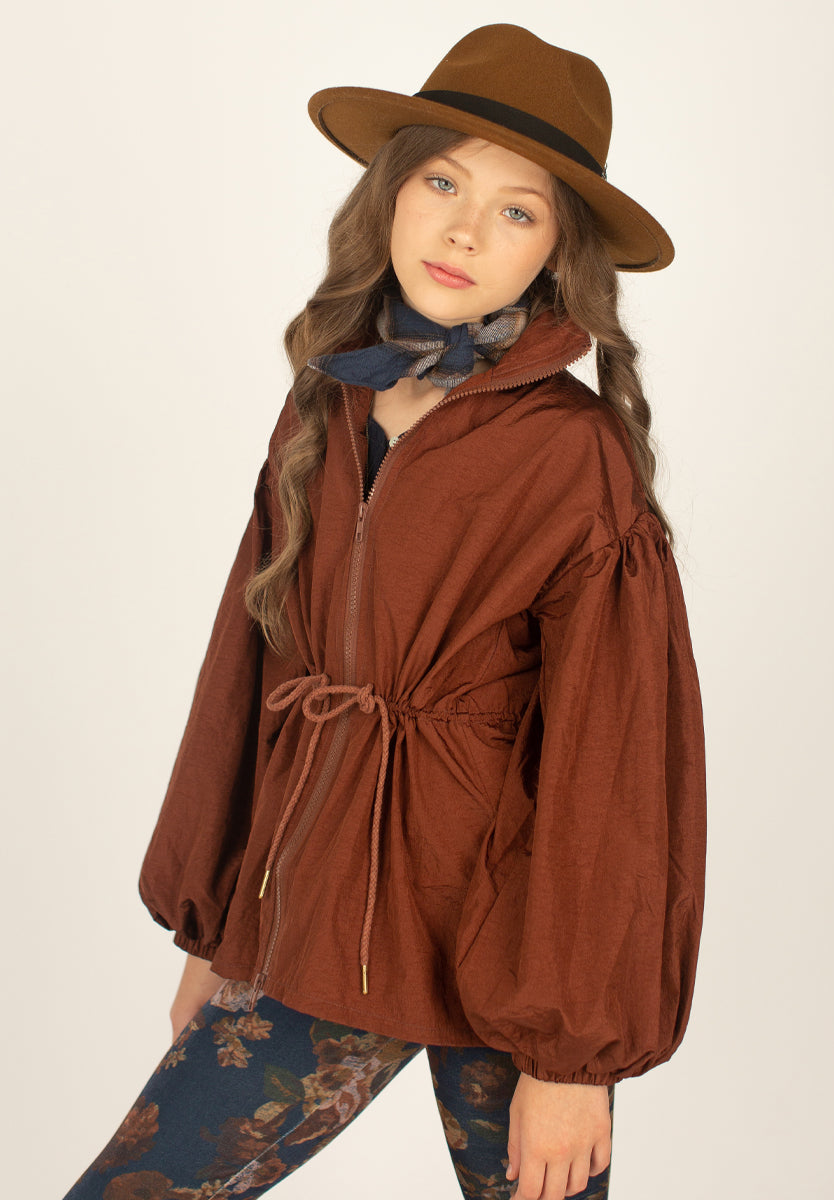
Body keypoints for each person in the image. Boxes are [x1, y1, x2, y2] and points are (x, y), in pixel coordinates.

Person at [62, 22, 707, 1200]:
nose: (464, 230)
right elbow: (251, 668)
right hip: (318, 927)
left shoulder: (574, 457)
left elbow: (613, 767)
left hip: (506, 944)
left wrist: (571, 1061)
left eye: (516, 211)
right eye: (442, 184)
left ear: (555, 254)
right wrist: (222, 925)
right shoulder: (330, 400)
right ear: (391, 194)